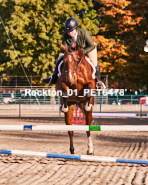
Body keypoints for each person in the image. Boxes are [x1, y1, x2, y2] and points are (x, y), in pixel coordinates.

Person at [42, 17, 100, 85]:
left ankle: (98, 81)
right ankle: (53, 77)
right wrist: (69, 52)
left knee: (95, 63)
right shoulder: (66, 36)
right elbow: (63, 48)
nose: (70, 33)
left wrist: (82, 51)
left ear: (76, 29)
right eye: (68, 32)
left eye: (71, 31)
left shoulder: (84, 33)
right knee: (59, 58)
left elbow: (91, 45)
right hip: (72, 52)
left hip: (88, 48)